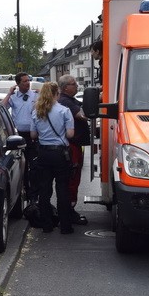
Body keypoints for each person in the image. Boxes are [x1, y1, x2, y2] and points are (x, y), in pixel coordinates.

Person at [30, 82, 75, 234]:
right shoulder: (64, 111)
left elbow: (33, 135)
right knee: (62, 189)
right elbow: (70, 134)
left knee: (44, 189)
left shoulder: (37, 111)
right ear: (57, 93)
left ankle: (46, 225)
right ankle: (65, 226)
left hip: (43, 153)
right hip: (60, 154)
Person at [57, 74, 90, 226]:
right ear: (65, 88)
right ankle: (69, 212)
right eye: (73, 84)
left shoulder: (68, 100)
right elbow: (82, 116)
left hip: (75, 145)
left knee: (73, 179)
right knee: (72, 179)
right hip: (71, 146)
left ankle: (69, 210)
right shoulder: (65, 101)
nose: (76, 86)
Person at [2, 72, 40, 200]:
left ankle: (33, 194)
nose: (28, 83)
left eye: (28, 80)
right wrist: (9, 93)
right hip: (18, 136)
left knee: (34, 167)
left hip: (33, 135)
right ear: (18, 84)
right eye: (24, 81)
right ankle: (23, 190)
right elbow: (2, 107)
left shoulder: (35, 95)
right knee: (20, 166)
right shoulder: (13, 97)